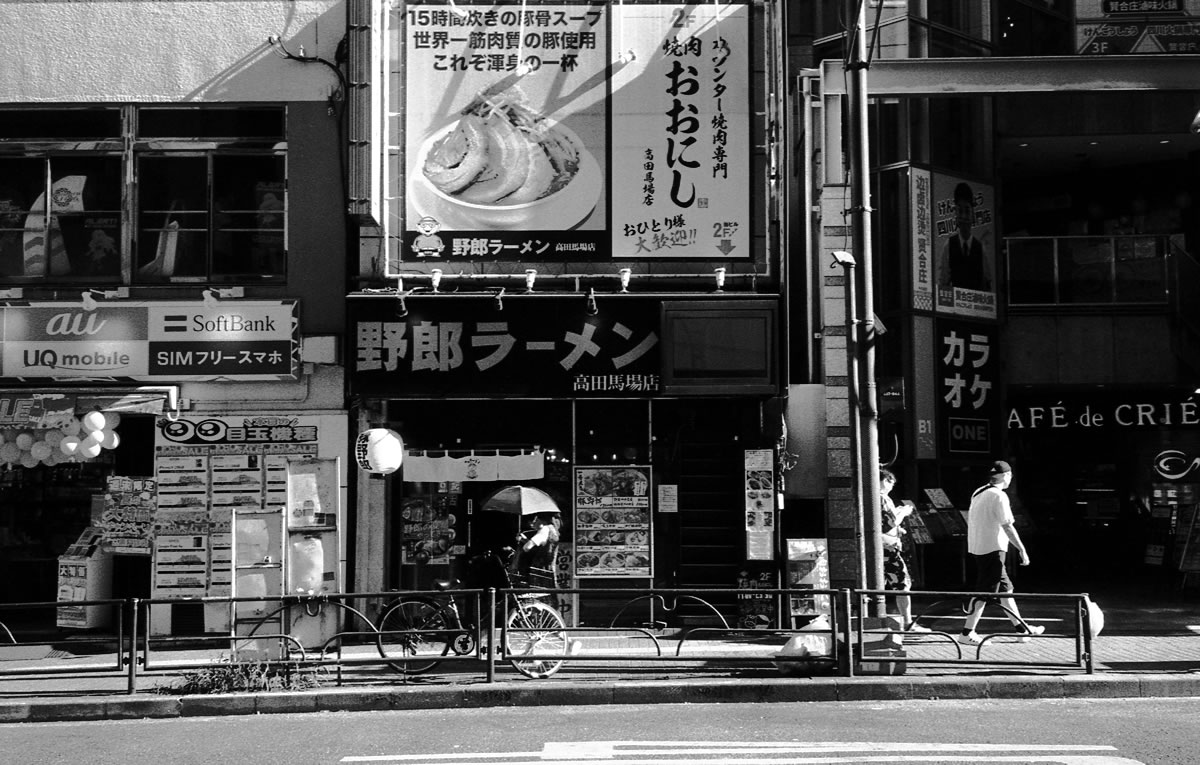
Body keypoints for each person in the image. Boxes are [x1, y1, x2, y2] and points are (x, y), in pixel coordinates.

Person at [958, 460, 1044, 646]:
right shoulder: (999, 496)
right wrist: (1022, 549)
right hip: (993, 549)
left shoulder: (979, 492)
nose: (1011, 479)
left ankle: (1022, 630)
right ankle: (967, 632)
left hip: (979, 547)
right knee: (984, 592)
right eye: (1010, 475)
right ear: (1006, 476)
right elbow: (1007, 526)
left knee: (1006, 591)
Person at [879, 468, 928, 633]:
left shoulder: (879, 498)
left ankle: (901, 622)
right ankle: (907, 622)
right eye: (890, 482)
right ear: (883, 481)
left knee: (890, 585)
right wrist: (904, 512)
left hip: (884, 546)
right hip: (886, 548)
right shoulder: (881, 498)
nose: (891, 487)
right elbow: (889, 524)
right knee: (902, 583)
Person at [936, 181, 993, 292]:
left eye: (967, 211)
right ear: (955, 214)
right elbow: (943, 281)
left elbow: (987, 283)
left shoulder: (980, 248)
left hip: (976, 305)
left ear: (972, 214)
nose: (963, 216)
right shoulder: (949, 245)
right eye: (959, 211)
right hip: (956, 306)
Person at [514, 511, 561, 587]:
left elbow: (527, 547)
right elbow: (542, 544)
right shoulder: (553, 529)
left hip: (539, 568)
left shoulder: (544, 529)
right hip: (549, 567)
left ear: (542, 521)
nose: (534, 522)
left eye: (536, 520)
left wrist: (521, 542)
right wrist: (524, 540)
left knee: (538, 592)